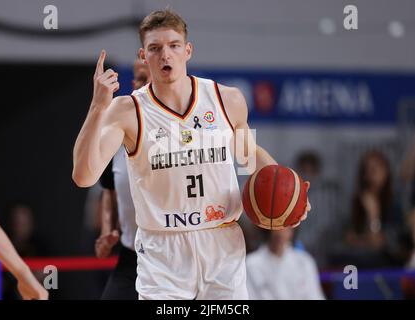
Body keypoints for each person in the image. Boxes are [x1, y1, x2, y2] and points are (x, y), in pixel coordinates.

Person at [72, 9, 310, 300]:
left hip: (221, 243)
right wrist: (97, 107)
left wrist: (291, 198)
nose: (165, 55)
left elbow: (250, 156)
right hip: (163, 251)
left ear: (187, 50)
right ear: (143, 56)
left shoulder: (226, 99)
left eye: (173, 46)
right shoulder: (126, 111)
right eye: (155, 48)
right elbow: (84, 176)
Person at [95, 57, 151, 300]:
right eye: (137, 78)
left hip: (174, 256)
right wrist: (107, 232)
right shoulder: (117, 133)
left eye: (147, 80)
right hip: (131, 255)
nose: (140, 86)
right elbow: (109, 188)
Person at [246, 228, 325, 300]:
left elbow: (315, 296)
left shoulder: (304, 262)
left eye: (286, 227)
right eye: (277, 227)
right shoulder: (251, 264)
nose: (281, 232)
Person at [0, 214, 48, 300]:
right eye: (16, 224)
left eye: (23, 224)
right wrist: (22, 273)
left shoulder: (39, 246)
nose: (20, 227)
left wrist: (22, 273)